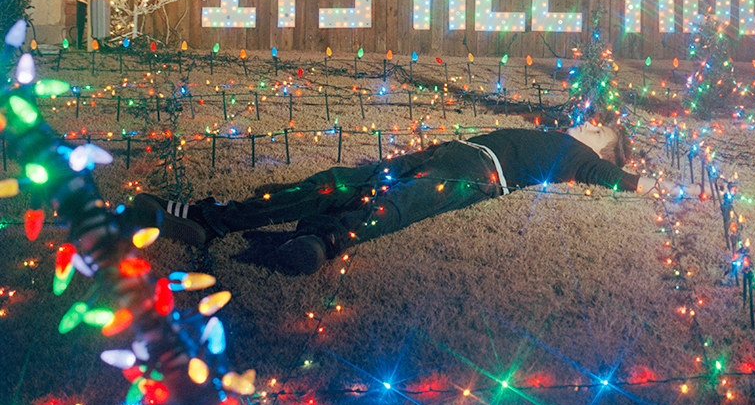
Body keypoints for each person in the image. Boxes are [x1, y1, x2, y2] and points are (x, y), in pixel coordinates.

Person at [128, 121, 668, 274]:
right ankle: (210, 218)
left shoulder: (576, 155)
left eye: (599, 130)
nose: (590, 124)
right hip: (450, 151)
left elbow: (604, 174)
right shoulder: (561, 137)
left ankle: (320, 241)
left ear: (603, 147)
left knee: (403, 203)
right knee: (345, 179)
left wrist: (641, 183)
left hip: (479, 171)